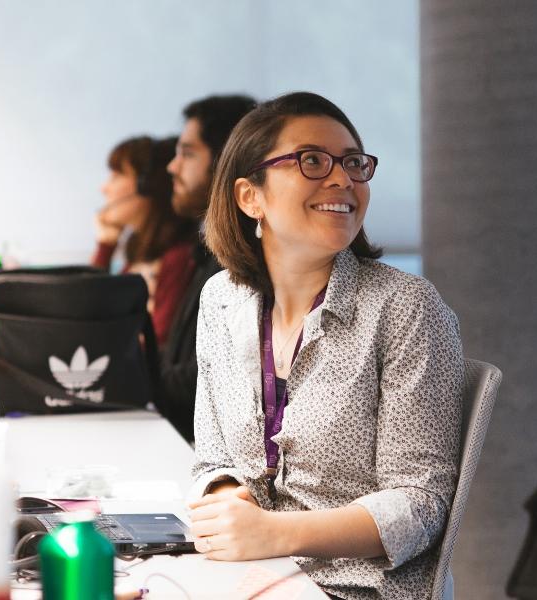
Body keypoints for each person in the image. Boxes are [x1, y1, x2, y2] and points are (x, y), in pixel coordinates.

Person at [186, 91, 464, 600]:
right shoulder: (221, 300)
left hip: (358, 590)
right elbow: (213, 456)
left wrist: (272, 534)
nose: (343, 180)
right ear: (251, 197)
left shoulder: (404, 306)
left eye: (354, 164)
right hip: (249, 576)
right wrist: (231, 502)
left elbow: (420, 504)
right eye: (312, 161)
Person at [152, 94, 256, 442]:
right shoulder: (207, 254)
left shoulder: (245, 266)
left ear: (225, 161)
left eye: (187, 152)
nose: (172, 166)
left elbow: (198, 386)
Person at [92, 135, 195, 346]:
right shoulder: (141, 258)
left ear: (146, 184)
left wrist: (105, 247)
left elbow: (155, 342)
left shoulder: (179, 258)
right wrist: (106, 245)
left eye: (117, 175)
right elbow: (92, 312)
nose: (104, 188)